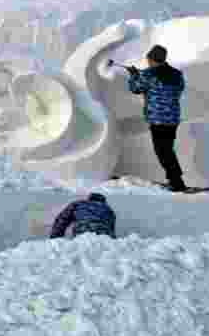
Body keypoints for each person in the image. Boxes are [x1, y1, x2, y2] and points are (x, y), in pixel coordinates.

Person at [126, 44, 188, 192]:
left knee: (163, 151)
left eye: (148, 59)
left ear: (153, 59)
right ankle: (175, 179)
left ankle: (176, 182)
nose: (147, 61)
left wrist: (134, 75)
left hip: (157, 119)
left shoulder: (149, 74)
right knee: (167, 150)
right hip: (172, 119)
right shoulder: (177, 74)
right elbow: (179, 89)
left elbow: (135, 88)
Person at [49, 192, 116, 239]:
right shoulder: (108, 209)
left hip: (82, 232)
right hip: (104, 235)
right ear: (103, 201)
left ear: (89, 199)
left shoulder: (79, 203)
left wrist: (55, 237)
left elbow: (62, 219)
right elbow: (111, 228)